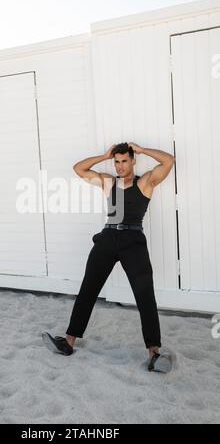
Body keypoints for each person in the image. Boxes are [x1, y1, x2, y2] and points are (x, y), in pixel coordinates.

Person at [42, 142, 175, 372]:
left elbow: (168, 161)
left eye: (124, 161)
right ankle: (69, 341)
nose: (120, 166)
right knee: (88, 289)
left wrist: (142, 150)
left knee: (145, 295)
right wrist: (104, 155)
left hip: (133, 241)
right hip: (107, 239)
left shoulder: (144, 182)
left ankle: (154, 353)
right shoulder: (108, 182)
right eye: (117, 161)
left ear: (133, 161)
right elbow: (79, 169)